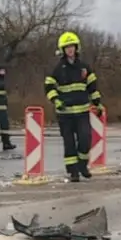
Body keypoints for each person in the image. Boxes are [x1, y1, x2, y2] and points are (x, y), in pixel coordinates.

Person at [44, 31, 103, 182]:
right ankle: (73, 172)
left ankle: (82, 165)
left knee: (85, 139)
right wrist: (56, 100)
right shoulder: (57, 69)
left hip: (82, 111)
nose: (70, 49)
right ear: (62, 50)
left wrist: (98, 103)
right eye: (67, 47)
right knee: (69, 142)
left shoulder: (84, 67)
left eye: (72, 46)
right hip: (65, 114)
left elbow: (92, 87)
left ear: (76, 48)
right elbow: (49, 87)